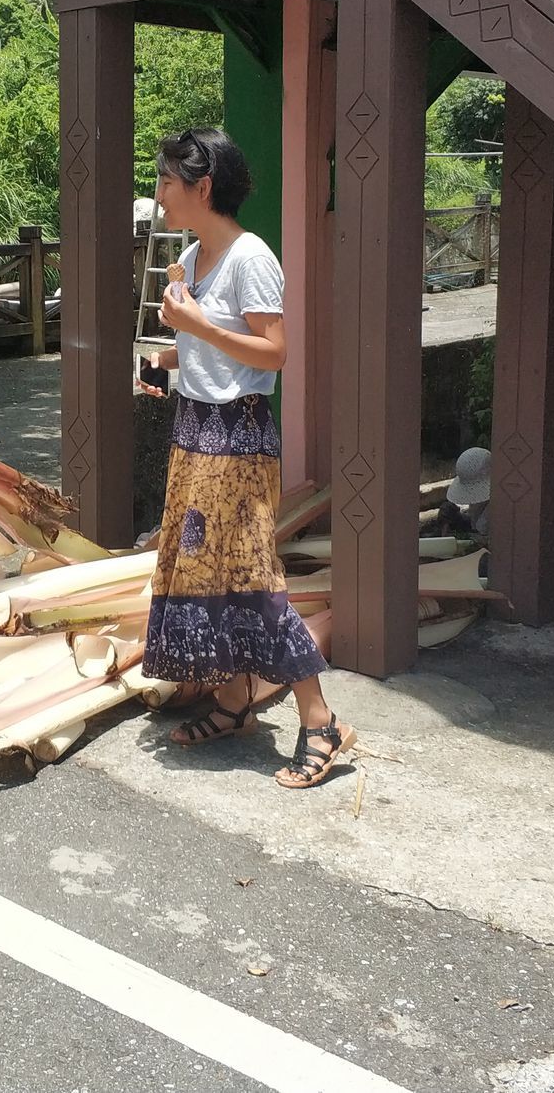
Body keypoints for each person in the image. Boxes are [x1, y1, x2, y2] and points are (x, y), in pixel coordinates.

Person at [136, 127, 350, 790]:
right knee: (206, 571)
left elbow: (274, 352)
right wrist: (166, 359)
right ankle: (233, 701)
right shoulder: (196, 255)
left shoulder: (250, 256)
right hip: (195, 427)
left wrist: (194, 326)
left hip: (239, 436)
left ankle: (321, 721)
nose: (160, 193)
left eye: (168, 181)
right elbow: (216, 345)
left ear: (202, 187)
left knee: (253, 580)